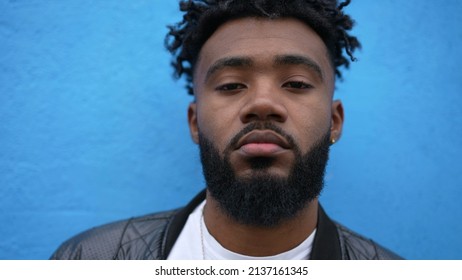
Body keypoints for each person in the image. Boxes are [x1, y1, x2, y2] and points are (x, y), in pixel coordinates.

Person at [51, 0, 401, 260]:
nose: (262, 104)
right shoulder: (90, 259)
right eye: (232, 85)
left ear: (334, 122)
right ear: (194, 123)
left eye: (295, 83)